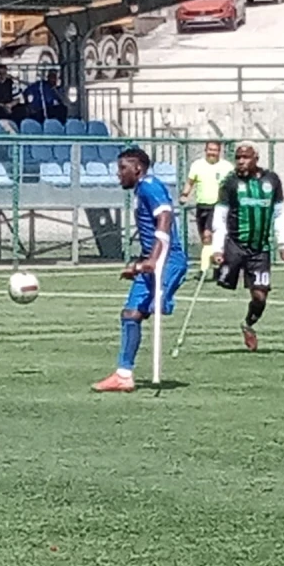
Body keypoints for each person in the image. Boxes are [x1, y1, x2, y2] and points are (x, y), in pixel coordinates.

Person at [92, 147, 188, 393]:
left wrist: (153, 260)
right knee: (130, 314)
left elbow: (165, 216)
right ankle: (123, 375)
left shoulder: (149, 186)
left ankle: (163, 299)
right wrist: (141, 263)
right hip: (150, 260)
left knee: (156, 307)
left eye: (122, 168)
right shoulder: (140, 189)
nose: (118, 174)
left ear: (137, 168)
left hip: (168, 260)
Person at [211, 141, 284, 352]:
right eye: (238, 158)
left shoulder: (271, 180)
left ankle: (248, 324)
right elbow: (220, 216)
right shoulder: (230, 182)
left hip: (260, 249)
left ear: (256, 158)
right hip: (234, 245)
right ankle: (226, 271)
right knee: (222, 282)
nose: (241, 161)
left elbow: (279, 214)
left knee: (260, 296)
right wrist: (217, 249)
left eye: (245, 157)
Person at [179, 141, 233, 274]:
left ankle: (204, 269)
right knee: (205, 239)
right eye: (210, 150)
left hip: (219, 207)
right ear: (206, 150)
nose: (212, 153)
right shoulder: (197, 165)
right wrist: (184, 195)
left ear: (219, 152)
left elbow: (234, 184)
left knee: (208, 235)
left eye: (215, 150)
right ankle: (218, 266)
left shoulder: (227, 167)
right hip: (202, 206)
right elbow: (190, 182)